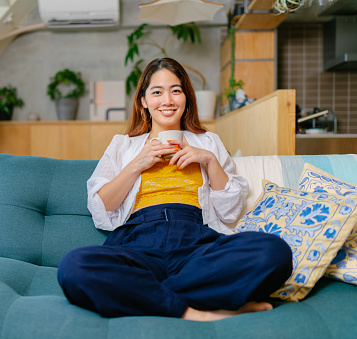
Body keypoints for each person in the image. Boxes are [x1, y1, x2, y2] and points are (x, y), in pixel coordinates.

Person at [57, 58, 292, 321]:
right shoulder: (123, 145)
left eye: (176, 91)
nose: (167, 100)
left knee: (274, 252)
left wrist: (209, 160)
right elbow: (101, 209)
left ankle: (144, 296)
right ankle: (195, 311)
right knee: (73, 266)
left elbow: (230, 210)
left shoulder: (208, 142)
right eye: (157, 92)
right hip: (138, 243)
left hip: (196, 244)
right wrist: (136, 165)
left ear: (186, 98)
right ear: (143, 101)